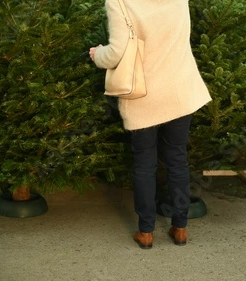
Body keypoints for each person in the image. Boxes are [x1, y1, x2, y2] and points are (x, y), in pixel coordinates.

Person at [89, 0, 211, 249]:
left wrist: (97, 54)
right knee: (177, 159)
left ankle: (146, 232)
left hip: (142, 96)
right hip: (179, 90)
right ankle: (180, 228)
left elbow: (117, 52)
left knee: (145, 164)